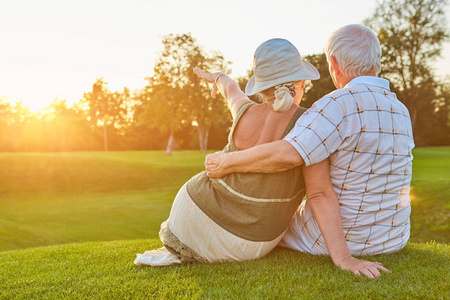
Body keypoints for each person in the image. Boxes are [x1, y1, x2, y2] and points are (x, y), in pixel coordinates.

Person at [135, 38, 387, 278]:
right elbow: (319, 194)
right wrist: (344, 258)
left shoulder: (244, 111)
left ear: (261, 87)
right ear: (300, 82)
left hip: (188, 217)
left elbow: (230, 89)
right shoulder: (309, 124)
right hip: (247, 242)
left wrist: (218, 78)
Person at [205, 24, 414, 277]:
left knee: (271, 220)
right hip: (393, 239)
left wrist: (225, 162)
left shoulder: (337, 104)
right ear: (375, 61)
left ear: (334, 63)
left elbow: (291, 158)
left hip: (341, 242)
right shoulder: (400, 110)